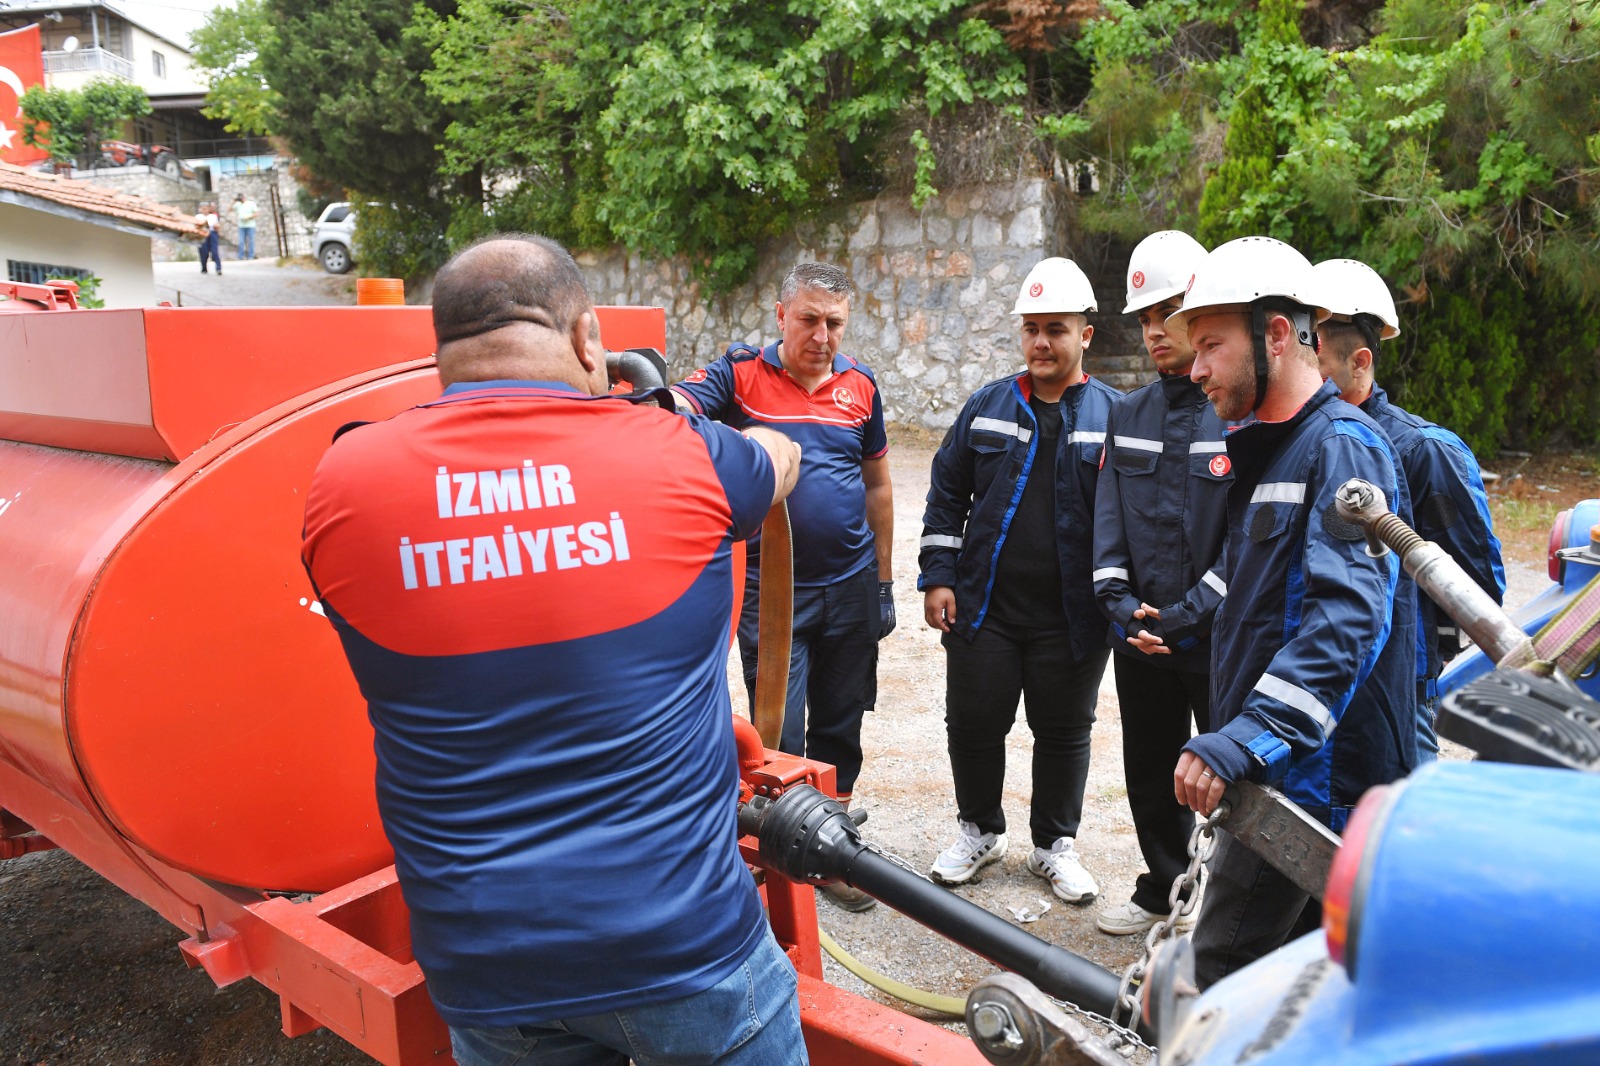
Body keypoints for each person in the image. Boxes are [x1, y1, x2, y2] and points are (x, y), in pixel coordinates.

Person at [302, 235, 807, 1066]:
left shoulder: (345, 480)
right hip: (683, 952)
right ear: (587, 340)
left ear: (444, 354)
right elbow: (776, 461)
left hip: (487, 972)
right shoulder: (685, 456)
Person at [1168, 236, 1417, 989]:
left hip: (1309, 783)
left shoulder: (1342, 449)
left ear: (1277, 334)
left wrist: (1246, 737)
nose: (1195, 368)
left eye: (1210, 344)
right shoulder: (1277, 452)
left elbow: (1346, 621)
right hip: (1282, 770)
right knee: (1296, 988)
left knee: (1221, 980)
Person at [671, 262, 893, 913]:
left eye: (835, 323)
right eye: (809, 320)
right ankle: (787, 851)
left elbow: (878, 488)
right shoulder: (739, 376)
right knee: (780, 728)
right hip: (773, 594)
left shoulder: (860, 387)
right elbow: (677, 407)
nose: (822, 335)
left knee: (842, 720)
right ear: (780, 315)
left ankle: (835, 843)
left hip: (850, 584)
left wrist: (882, 582)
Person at [919, 257, 1121, 904]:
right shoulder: (987, 406)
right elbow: (946, 493)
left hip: (1073, 615)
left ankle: (1053, 846)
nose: (1040, 342)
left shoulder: (1116, 415)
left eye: (1055, 329)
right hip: (986, 610)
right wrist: (938, 575)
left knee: (1065, 730)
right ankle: (979, 831)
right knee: (973, 722)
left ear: (1085, 334)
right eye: (1031, 328)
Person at [1311, 258, 1506, 759]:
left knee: (1401, 823)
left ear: (1360, 362)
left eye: (1320, 367)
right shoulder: (1297, 446)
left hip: (1398, 692)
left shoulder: (1423, 451)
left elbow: (1477, 583)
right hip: (1316, 680)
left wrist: (1418, 657)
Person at [1090, 231, 1226, 936]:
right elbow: (1107, 520)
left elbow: (1244, 541)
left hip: (1216, 639)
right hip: (1141, 637)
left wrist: (1194, 611)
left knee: (1230, 774)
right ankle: (1162, 888)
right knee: (1149, 766)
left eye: (1164, 311)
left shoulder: (1234, 412)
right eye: (1143, 317)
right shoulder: (1129, 415)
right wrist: (1118, 605)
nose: (1152, 330)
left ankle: (1229, 907)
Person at [196, 202, 221, 274]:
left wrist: (217, 230)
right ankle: (204, 268)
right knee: (204, 252)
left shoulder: (213, 216)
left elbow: (217, 225)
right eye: (203, 209)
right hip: (202, 234)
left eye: (206, 208)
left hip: (212, 233)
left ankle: (218, 268)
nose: (205, 210)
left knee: (214, 251)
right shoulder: (198, 217)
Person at [233, 193, 258, 260]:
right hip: (241, 226)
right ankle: (240, 256)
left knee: (251, 241)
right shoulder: (237, 204)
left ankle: (251, 256)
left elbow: (256, 213)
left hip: (250, 225)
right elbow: (229, 210)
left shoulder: (251, 203)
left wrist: (247, 218)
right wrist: (233, 201)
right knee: (241, 241)